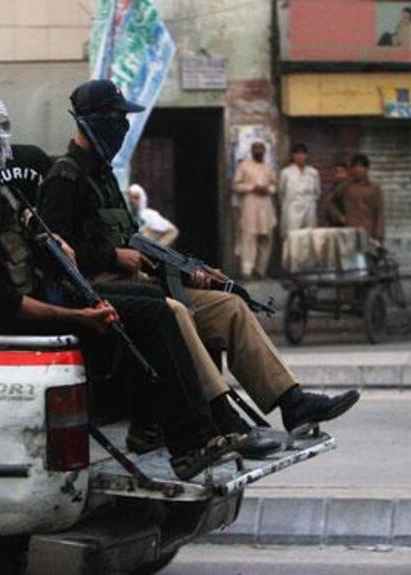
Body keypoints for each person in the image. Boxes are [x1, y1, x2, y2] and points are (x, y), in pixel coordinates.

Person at [0, 88, 247, 480]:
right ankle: (191, 441)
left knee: (151, 298)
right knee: (153, 312)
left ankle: (178, 427)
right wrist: (79, 316)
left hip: (45, 293)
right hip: (22, 321)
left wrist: (50, 242)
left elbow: (30, 243)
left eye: (4, 127)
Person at [38, 79, 359, 452]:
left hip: (137, 280)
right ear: (89, 120)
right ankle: (222, 417)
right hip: (98, 293)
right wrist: (111, 257)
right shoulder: (64, 178)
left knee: (229, 305)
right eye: (114, 117)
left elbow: (131, 239)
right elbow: (54, 252)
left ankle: (293, 403)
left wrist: (190, 269)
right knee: (177, 313)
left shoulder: (104, 176)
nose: (121, 125)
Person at [232, 141, 278, 279]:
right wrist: (252, 187)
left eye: (261, 149)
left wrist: (268, 189)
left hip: (266, 205)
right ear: (252, 151)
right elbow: (235, 185)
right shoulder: (244, 166)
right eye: (256, 149)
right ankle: (247, 270)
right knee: (249, 236)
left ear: (264, 152)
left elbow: (274, 186)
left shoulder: (268, 168)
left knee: (266, 237)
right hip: (250, 204)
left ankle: (261, 270)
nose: (259, 152)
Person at [323, 153, 385, 243]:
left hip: (369, 233)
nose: (358, 169)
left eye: (361, 166)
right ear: (351, 169)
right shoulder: (345, 186)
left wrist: (379, 236)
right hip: (349, 232)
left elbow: (379, 213)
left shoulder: (374, 188)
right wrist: (339, 217)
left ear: (367, 169)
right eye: (355, 167)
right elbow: (329, 201)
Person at [278, 142, 321, 238]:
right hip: (292, 208)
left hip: (309, 208)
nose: (300, 156)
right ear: (293, 156)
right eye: (297, 154)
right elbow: (281, 193)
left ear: (306, 156)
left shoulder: (313, 172)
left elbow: (317, 193)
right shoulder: (286, 172)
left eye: (302, 153)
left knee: (308, 236)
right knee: (292, 236)